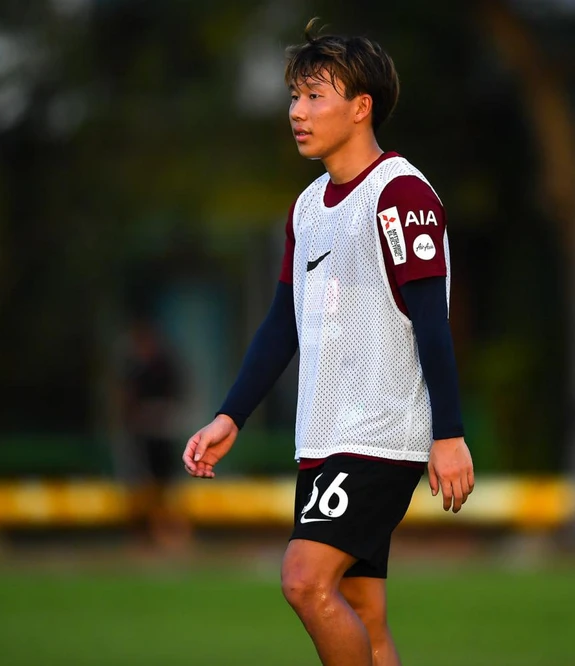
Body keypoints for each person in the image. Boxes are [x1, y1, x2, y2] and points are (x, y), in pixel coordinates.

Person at [182, 18, 474, 666]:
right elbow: (282, 323)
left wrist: (448, 435)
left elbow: (432, 322)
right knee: (364, 616)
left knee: (303, 580)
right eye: (295, 96)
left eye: (315, 96)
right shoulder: (308, 206)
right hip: (323, 437)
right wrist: (231, 415)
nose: (297, 111)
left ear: (361, 107)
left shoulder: (400, 195)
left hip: (378, 436)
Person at [119, 318, 190, 549]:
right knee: (144, 483)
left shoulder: (164, 366)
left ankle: (171, 531)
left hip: (163, 432)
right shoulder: (135, 368)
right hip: (143, 433)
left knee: (167, 484)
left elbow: (176, 396)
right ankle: (149, 532)